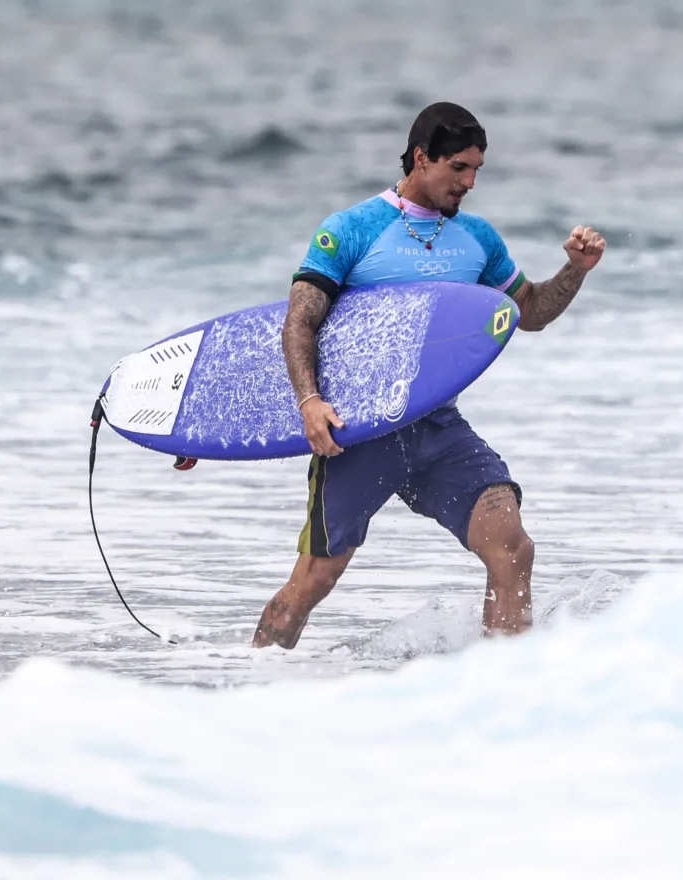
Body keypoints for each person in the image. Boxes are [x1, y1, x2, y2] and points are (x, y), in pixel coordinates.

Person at [252, 102, 607, 649]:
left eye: (476, 171)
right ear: (422, 158)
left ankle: (510, 686)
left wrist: (575, 272)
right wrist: (309, 401)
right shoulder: (352, 229)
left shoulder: (477, 239)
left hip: (437, 427)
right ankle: (250, 680)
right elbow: (300, 319)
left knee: (512, 545)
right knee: (315, 579)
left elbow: (529, 312)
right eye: (459, 168)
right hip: (359, 431)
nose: (469, 182)